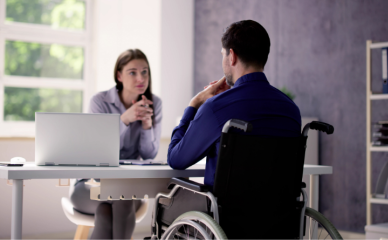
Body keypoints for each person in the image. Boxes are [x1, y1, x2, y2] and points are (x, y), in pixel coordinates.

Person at [168, 20, 301, 187]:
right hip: (280, 212)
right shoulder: (291, 110)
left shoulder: (215, 108)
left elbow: (176, 159)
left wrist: (194, 104)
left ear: (232, 56)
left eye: (223, 54)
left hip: (228, 212)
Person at [70, 49, 162, 239]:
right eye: (133, 72)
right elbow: (96, 151)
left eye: (145, 71)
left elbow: (149, 155)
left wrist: (147, 127)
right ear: (119, 75)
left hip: (127, 186)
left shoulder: (155, 103)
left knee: (112, 207)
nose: (141, 78)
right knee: (119, 201)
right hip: (89, 184)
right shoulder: (99, 102)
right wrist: (124, 120)